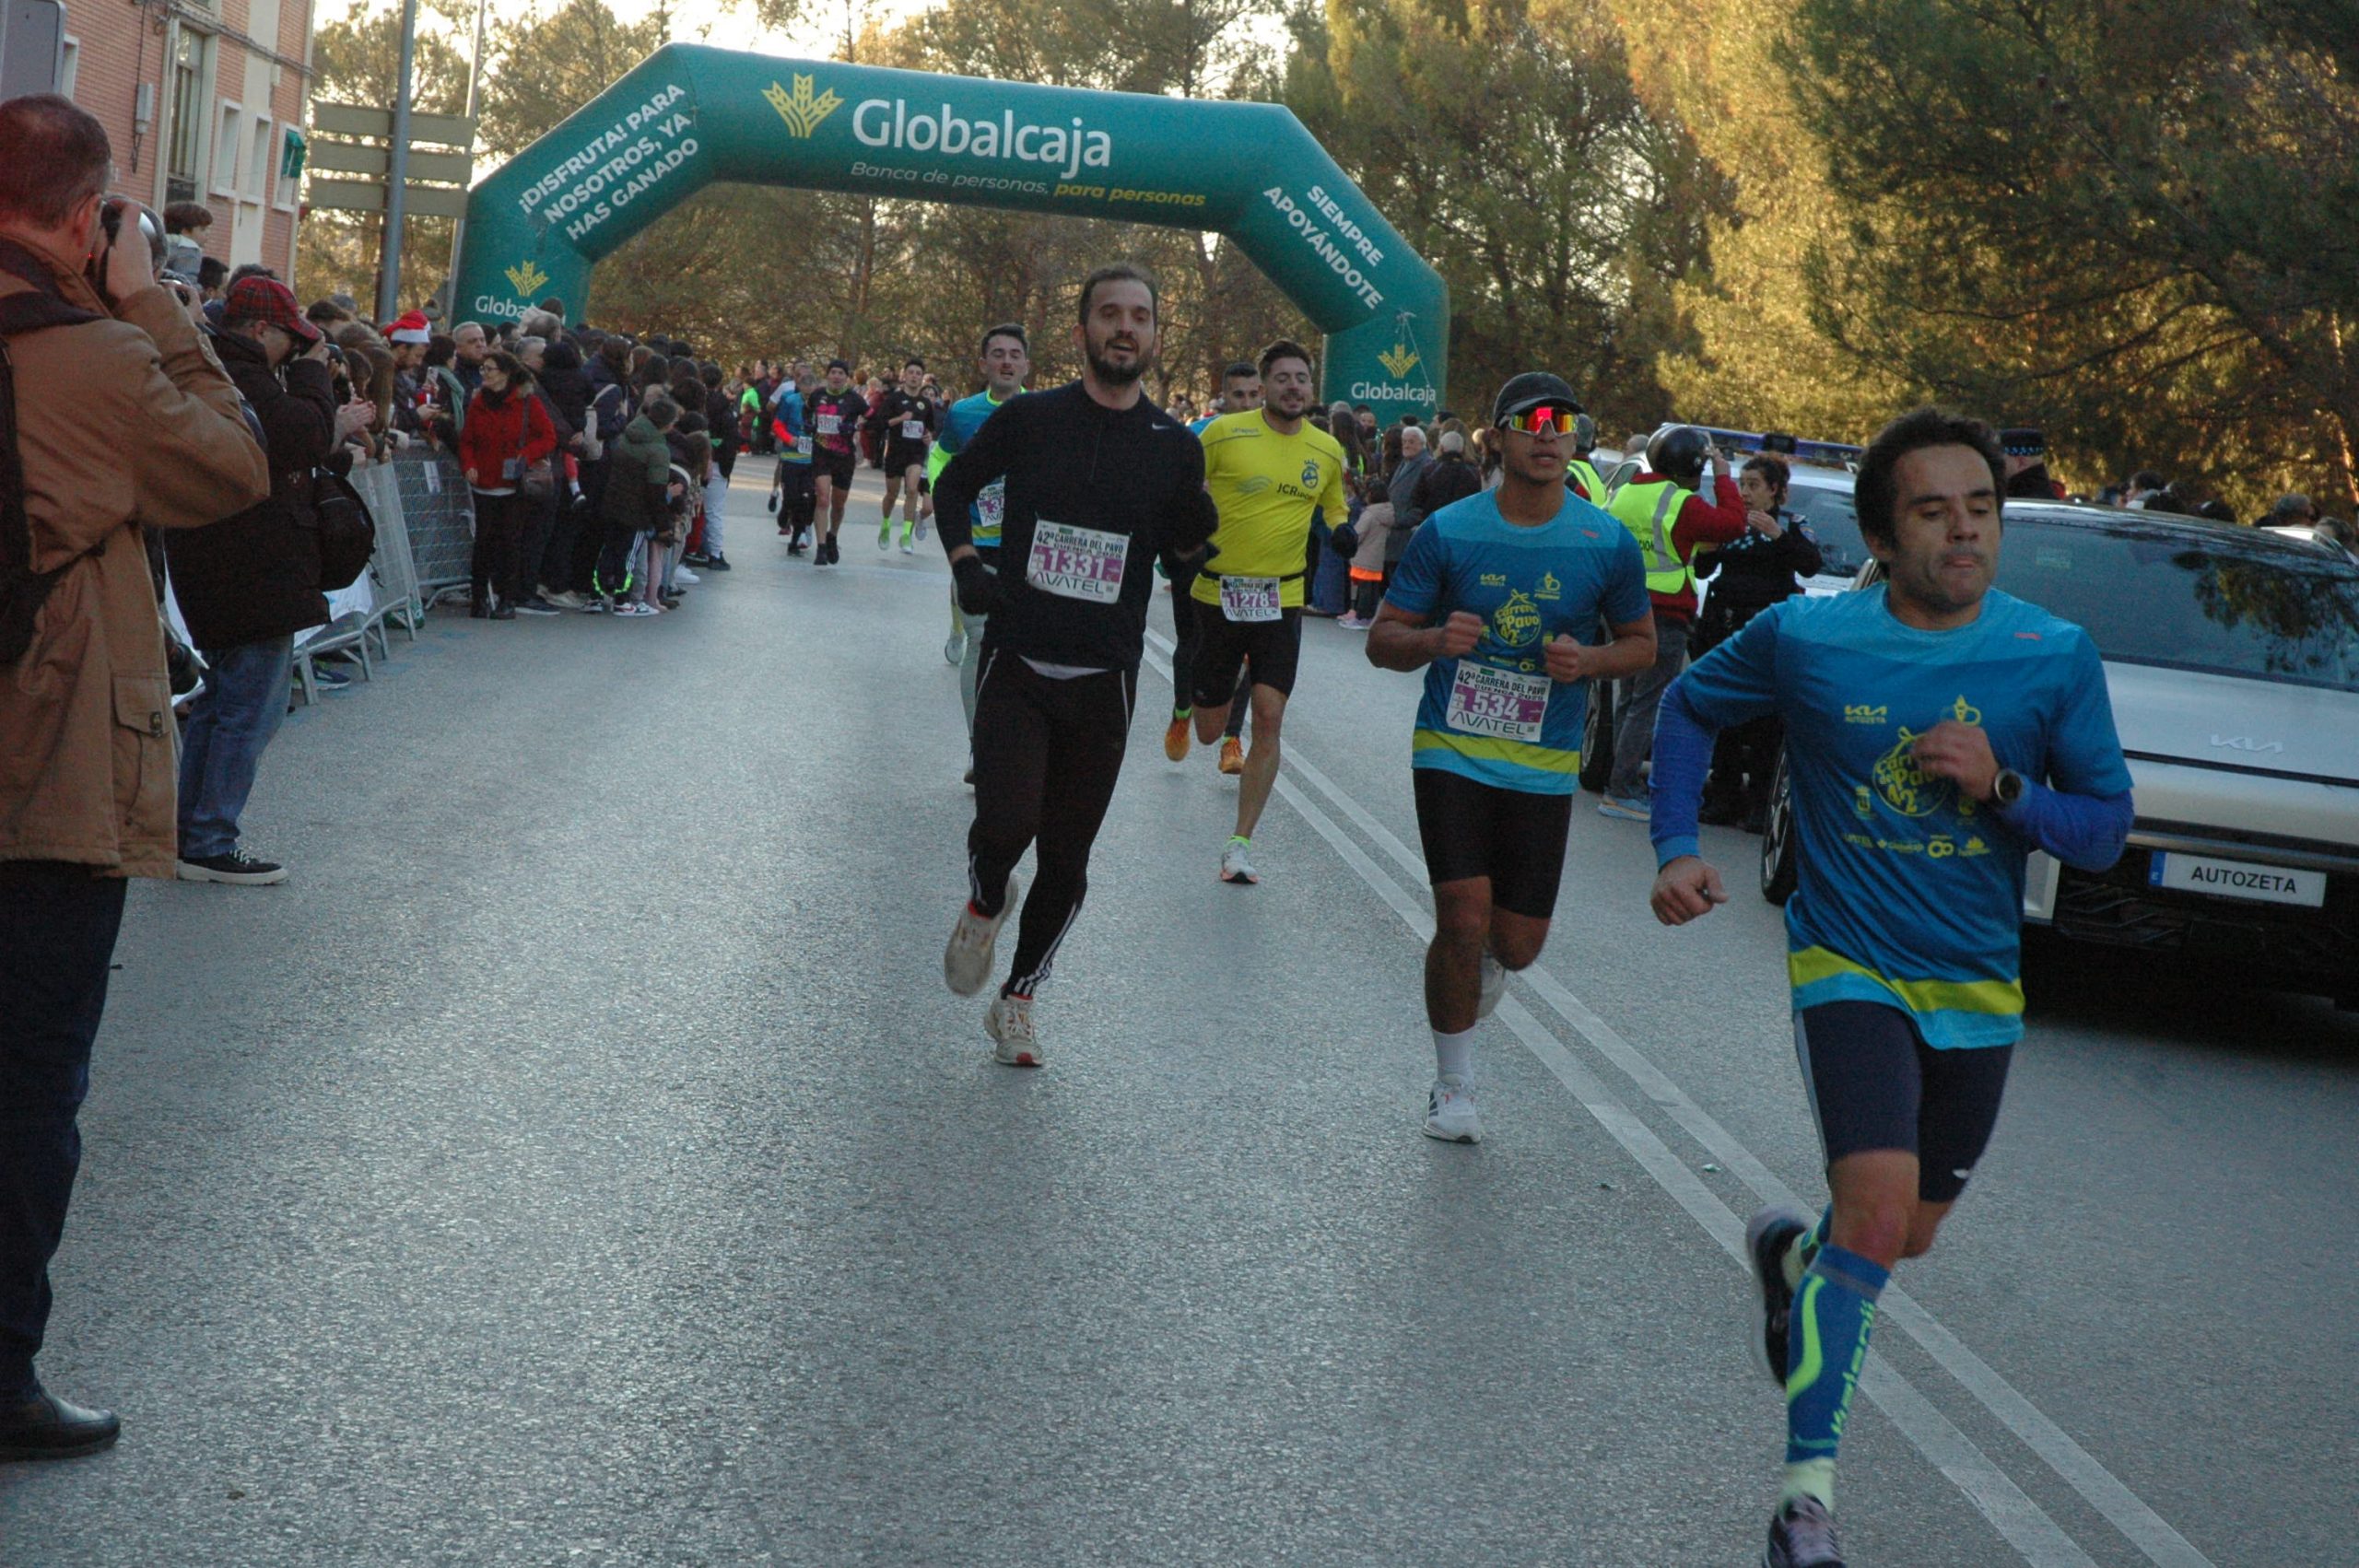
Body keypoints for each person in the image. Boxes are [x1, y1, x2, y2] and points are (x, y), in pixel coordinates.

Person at [1646, 409, 2134, 1568]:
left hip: (1978, 982)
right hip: (1848, 962)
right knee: (1873, 1212)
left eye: (1980, 508)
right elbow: (1688, 705)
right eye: (1932, 511)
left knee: (1902, 1233)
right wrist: (1674, 844)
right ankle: (1803, 1506)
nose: (1963, 531)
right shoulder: (1808, 639)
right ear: (1879, 534)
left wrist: (2003, 786)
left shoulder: (2052, 653)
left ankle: (1794, 1263)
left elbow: (2104, 830)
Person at [0, 94, 272, 1461]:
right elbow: (234, 464)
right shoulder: (99, 358)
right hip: (45, 781)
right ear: (83, 217)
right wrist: (154, 300)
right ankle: (1, 1376)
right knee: (28, 1084)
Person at [933, 263, 1216, 1066]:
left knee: (1067, 856)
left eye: (1140, 316)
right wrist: (966, 565)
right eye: (1110, 314)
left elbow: (1182, 562)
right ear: (1082, 330)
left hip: (1105, 676)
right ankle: (986, 898)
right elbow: (954, 490)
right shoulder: (1030, 418)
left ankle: (1019, 998)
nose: (1125, 328)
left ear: (1156, 335)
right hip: (1020, 658)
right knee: (1004, 825)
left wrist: (1192, 548)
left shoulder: (1173, 447)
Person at [1365, 373, 1654, 1142]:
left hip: (1543, 762)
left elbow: (1641, 645)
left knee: (1517, 946)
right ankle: (1452, 1086)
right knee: (1461, 914)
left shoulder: (1605, 542)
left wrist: (1587, 662)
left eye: (1563, 423)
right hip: (1452, 749)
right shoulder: (1450, 532)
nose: (1549, 435)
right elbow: (1382, 640)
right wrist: (1436, 640)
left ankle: (1487, 961)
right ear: (1497, 438)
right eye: (1531, 422)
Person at [166, 277, 371, 884]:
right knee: (248, 710)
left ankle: (191, 833)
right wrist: (312, 373)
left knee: (223, 705)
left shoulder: (223, 366)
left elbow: (285, 451)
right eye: (293, 338)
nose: (300, 349)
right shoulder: (239, 373)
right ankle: (208, 839)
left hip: (234, 560)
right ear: (260, 329)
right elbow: (298, 435)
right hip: (249, 564)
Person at [1188, 339, 1350, 883]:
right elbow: (1184, 488)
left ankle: (1239, 844)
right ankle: (1195, 702)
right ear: (1263, 387)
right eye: (1283, 378)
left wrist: (1342, 529)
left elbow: (1334, 504)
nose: (1293, 387)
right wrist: (1190, 534)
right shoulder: (1222, 433)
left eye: (1301, 378)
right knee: (1209, 731)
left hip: (1281, 600)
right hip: (1218, 595)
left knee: (1269, 717)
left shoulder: (1325, 448)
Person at [1597, 424, 1748, 820]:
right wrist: (1724, 478)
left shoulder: (1625, 492)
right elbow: (1733, 524)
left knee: (1629, 700)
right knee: (1646, 704)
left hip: (1623, 610)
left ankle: (1616, 781)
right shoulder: (1681, 502)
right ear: (1692, 467)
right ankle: (1622, 789)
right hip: (1664, 615)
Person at [1689, 453, 1825, 831]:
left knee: (1765, 722)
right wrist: (1709, 545)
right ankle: (1723, 795)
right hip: (1725, 627)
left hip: (1767, 635)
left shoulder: (1792, 524)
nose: (1745, 493)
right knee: (1724, 714)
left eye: (1754, 485)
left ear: (1775, 490)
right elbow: (1702, 568)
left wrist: (1778, 536)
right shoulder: (1731, 522)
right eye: (1741, 485)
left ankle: (1760, 802)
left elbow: (1810, 564)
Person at [930, 323, 1032, 767]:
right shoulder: (963, 414)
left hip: (1026, 548)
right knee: (980, 640)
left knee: (1021, 648)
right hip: (977, 545)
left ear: (1026, 365)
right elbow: (941, 458)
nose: (1006, 362)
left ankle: (1016, 737)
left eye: (1015, 355)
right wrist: (942, 496)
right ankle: (980, 747)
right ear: (983, 364)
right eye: (998, 354)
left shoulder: (1043, 413)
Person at [1164, 360, 1259, 768]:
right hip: (1202, 554)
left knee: (1247, 651)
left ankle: (1232, 740)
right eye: (1239, 395)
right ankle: (1182, 712)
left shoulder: (1276, 438)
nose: (1247, 403)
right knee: (1192, 642)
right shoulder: (1198, 435)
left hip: (1252, 561)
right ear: (1223, 398)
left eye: (1254, 395)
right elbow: (1172, 495)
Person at [457, 349, 557, 617]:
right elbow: (467, 441)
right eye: (483, 369)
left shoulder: (527, 402)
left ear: (506, 374)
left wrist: (526, 455)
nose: (485, 374)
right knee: (483, 541)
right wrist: (469, 465)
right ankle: (479, 597)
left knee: (510, 541)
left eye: (490, 369)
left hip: (514, 483)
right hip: (484, 481)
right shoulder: (478, 402)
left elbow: (548, 437)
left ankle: (507, 599)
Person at [599, 392, 677, 617]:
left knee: (609, 550)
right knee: (629, 556)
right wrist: (663, 526)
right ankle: (623, 599)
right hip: (636, 510)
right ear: (667, 424)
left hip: (613, 501)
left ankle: (600, 593)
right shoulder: (658, 450)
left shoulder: (629, 434)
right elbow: (656, 491)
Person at [865, 357, 938, 553]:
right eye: (911, 372)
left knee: (912, 490)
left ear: (922, 378)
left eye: (918, 374)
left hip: (916, 454)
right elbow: (879, 424)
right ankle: (886, 524)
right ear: (904, 376)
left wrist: (928, 437)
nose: (914, 376)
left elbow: (929, 429)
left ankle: (906, 535)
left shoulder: (925, 403)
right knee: (892, 494)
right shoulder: (894, 400)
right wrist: (900, 419)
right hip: (896, 453)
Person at [805, 359, 867, 565]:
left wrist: (855, 427)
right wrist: (808, 424)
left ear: (846, 377)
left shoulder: (854, 399)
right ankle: (821, 548)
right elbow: (807, 410)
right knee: (823, 498)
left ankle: (832, 535)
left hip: (844, 456)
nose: (837, 376)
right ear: (827, 375)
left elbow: (873, 418)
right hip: (821, 453)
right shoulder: (817, 395)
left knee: (838, 504)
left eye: (841, 373)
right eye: (833, 372)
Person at [1997, 427, 2065, 499]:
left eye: (1999, 460)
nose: (1995, 465)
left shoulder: (2013, 501)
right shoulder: (2049, 496)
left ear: (2021, 462)